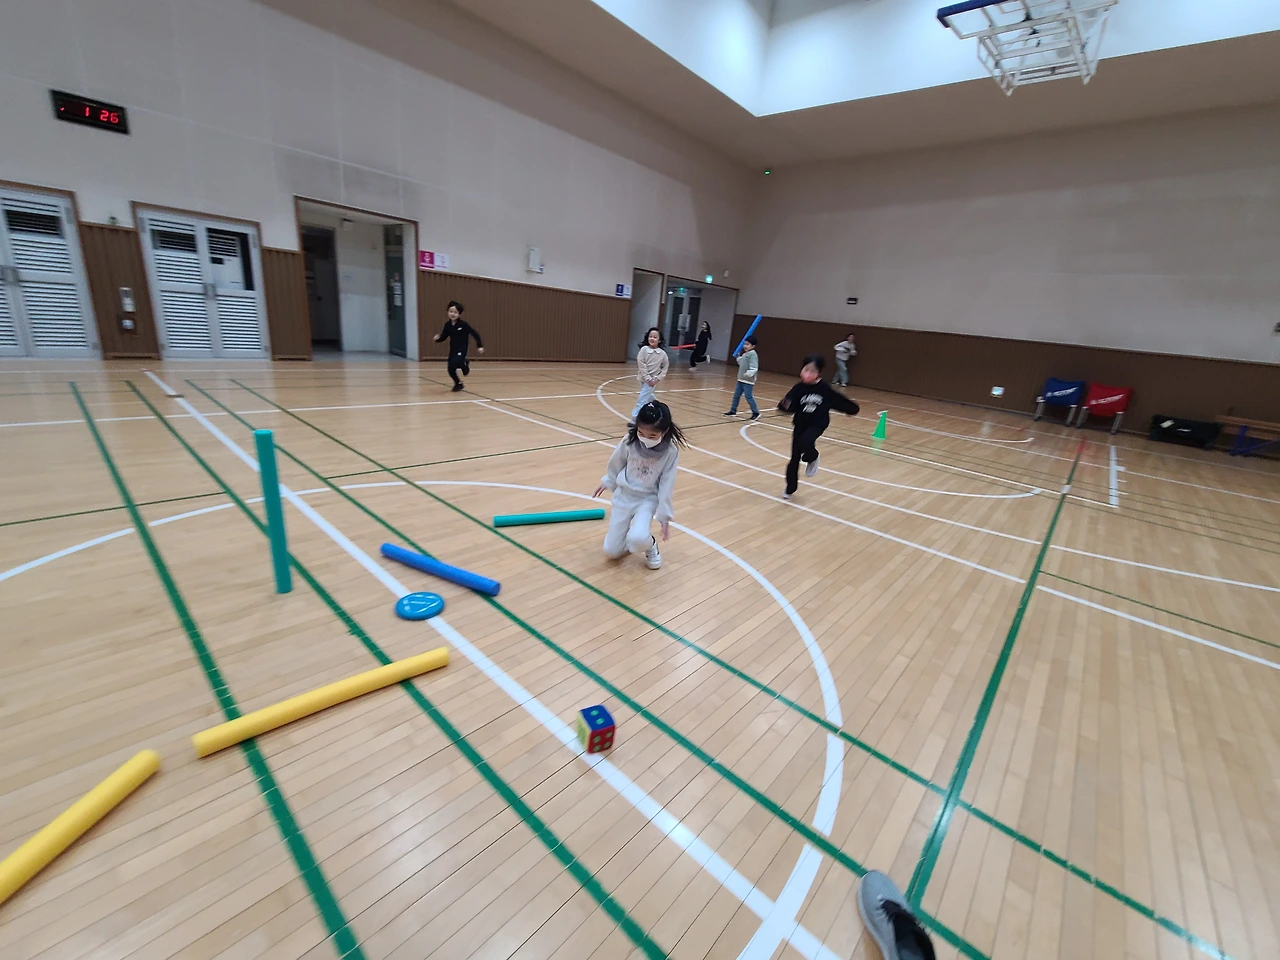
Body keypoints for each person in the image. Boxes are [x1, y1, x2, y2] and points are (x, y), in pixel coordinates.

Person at [593, 400, 687, 570]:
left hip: (647, 500)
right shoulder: (629, 441)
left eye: (652, 436)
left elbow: (667, 484)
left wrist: (664, 516)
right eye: (641, 433)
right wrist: (608, 480)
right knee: (611, 552)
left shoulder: (670, 452)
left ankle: (650, 544)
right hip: (624, 496)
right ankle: (632, 539)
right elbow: (616, 462)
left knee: (637, 539)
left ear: (664, 431)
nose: (645, 439)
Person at [777, 354, 859, 499]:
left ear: (818, 372)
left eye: (812, 371)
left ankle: (812, 456)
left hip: (817, 423)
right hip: (800, 424)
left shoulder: (824, 389)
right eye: (806, 369)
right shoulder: (798, 388)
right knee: (794, 458)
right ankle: (790, 488)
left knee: (806, 442)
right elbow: (789, 404)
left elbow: (839, 401)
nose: (808, 373)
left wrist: (851, 408)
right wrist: (785, 406)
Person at [435, 300, 484, 391]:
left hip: (462, 349)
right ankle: (458, 383)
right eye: (451, 311)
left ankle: (464, 363)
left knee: (456, 361)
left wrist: (479, 346)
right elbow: (444, 337)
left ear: (459, 314)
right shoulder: (447, 325)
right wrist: (437, 339)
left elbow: (475, 334)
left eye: (455, 312)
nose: (453, 314)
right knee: (450, 368)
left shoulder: (464, 325)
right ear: (447, 312)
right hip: (453, 349)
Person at [632, 326, 669, 418]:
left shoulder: (662, 354)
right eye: (650, 336)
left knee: (642, 399)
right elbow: (641, 365)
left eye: (655, 337)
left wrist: (657, 379)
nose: (652, 338)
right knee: (648, 396)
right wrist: (647, 378)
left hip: (652, 381)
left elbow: (665, 368)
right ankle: (659, 407)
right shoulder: (643, 350)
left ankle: (634, 418)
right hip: (644, 379)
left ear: (659, 340)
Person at [723, 334, 759, 419]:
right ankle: (733, 410)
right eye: (744, 344)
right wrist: (738, 357)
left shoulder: (753, 355)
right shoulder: (745, 354)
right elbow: (741, 363)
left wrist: (748, 373)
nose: (745, 346)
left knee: (748, 397)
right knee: (736, 395)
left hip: (748, 381)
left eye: (747, 344)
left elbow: (754, 367)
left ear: (753, 346)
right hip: (741, 379)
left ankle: (755, 412)